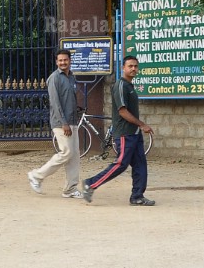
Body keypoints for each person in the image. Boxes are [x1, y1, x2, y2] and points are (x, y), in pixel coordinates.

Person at [81, 55, 154, 206]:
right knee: (120, 164)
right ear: (123, 68)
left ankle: (137, 196)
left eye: (135, 66)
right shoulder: (120, 85)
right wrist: (142, 124)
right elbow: (122, 111)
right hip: (124, 133)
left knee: (140, 164)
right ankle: (90, 184)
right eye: (130, 66)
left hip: (134, 134)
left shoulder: (129, 86)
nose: (133, 69)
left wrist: (138, 128)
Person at [28, 49, 84, 198]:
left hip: (72, 121)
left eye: (65, 60)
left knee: (74, 155)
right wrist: (64, 123)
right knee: (66, 152)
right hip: (61, 123)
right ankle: (36, 176)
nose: (63, 63)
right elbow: (55, 102)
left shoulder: (71, 77)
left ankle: (70, 189)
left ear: (70, 60)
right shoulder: (54, 78)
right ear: (56, 62)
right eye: (60, 60)